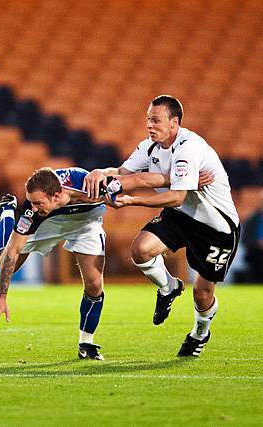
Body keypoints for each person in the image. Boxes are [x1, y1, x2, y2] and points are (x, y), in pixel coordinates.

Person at [84, 95, 240, 357]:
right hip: (181, 216)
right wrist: (101, 171)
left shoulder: (189, 147)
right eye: (148, 119)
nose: (149, 125)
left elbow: (176, 195)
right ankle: (169, 287)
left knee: (202, 295)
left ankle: (200, 333)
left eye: (155, 120)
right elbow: (124, 173)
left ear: (174, 123)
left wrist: (132, 200)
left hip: (216, 227)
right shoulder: (149, 147)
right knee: (141, 250)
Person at [0, 166, 109, 360]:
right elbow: (14, 251)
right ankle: (7, 211)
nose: (32, 208)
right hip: (47, 224)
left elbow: (125, 186)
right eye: (30, 202)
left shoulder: (88, 186)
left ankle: (86, 344)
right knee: (4, 264)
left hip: (85, 223)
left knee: (95, 285)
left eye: (37, 202)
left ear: (56, 196)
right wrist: (1, 296)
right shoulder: (32, 212)